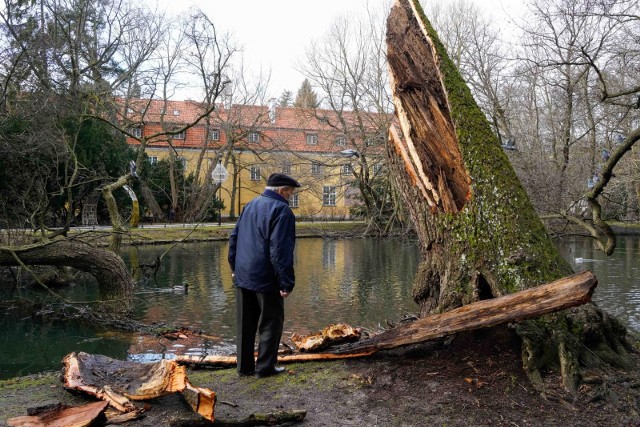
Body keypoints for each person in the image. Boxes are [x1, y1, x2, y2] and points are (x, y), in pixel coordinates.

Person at [228, 172, 301, 378]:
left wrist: (234, 268)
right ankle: (265, 367)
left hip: (243, 274)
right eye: (290, 192)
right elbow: (280, 251)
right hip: (266, 277)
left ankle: (244, 367)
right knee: (271, 322)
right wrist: (286, 283)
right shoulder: (282, 211)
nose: (290, 196)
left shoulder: (250, 205)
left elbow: (233, 238)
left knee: (245, 324)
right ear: (281, 190)